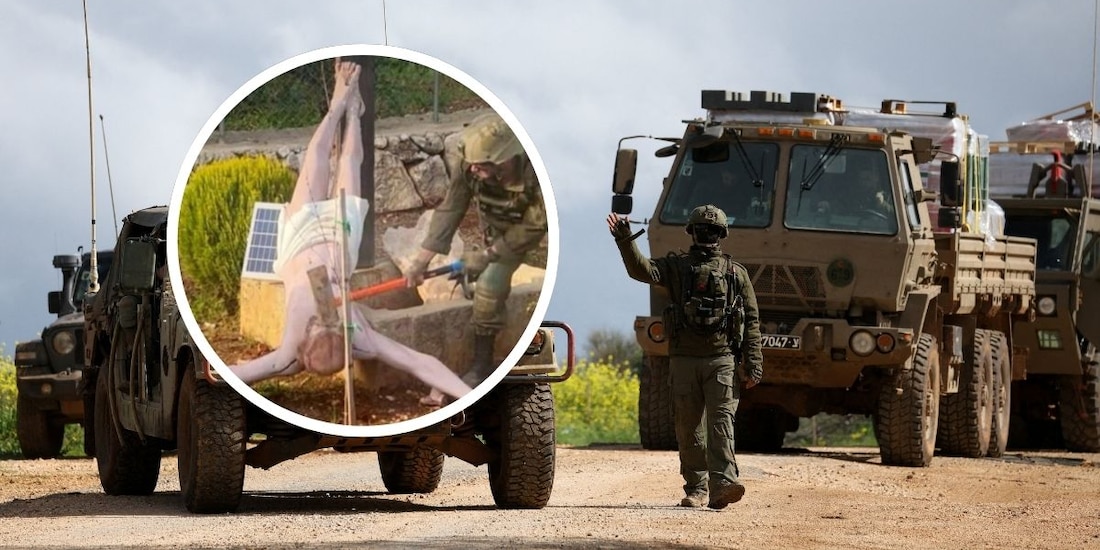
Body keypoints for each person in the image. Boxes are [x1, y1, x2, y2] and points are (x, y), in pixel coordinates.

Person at [229, 60, 472, 405]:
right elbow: (419, 362)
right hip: (341, 240)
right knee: (347, 165)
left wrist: (219, 372)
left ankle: (338, 108)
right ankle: (352, 112)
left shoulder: (289, 351)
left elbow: (240, 372)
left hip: (299, 236)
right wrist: (465, 394)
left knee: (316, 162)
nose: (325, 323)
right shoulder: (361, 341)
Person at [607, 204, 763, 510]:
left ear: (719, 234)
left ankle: (723, 485)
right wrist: (625, 241)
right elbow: (642, 271)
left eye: (711, 230)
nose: (706, 235)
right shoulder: (677, 267)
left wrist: (753, 362)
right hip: (689, 361)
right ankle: (696, 488)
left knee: (720, 425)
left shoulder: (735, 274)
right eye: (703, 230)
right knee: (689, 427)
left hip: (719, 359)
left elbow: (752, 321)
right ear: (694, 232)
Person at [404, 113, 547, 392]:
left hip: (524, 232)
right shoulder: (471, 162)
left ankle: (483, 365)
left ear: (503, 160)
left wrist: (491, 254)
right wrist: (420, 262)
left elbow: (536, 224)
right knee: (475, 269)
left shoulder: (534, 171)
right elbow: (451, 208)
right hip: (495, 230)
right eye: (471, 165)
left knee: (490, 286)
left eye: (480, 166)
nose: (472, 171)